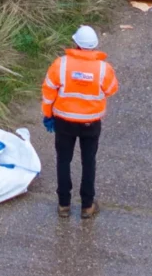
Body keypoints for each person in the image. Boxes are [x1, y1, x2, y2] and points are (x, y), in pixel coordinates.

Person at [42, 24, 118, 218]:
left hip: (64, 122)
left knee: (63, 161)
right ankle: (87, 205)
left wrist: (48, 114)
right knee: (88, 162)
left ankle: (63, 205)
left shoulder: (61, 64)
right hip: (90, 124)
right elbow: (111, 90)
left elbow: (48, 92)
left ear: (75, 43)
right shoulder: (103, 69)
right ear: (95, 46)